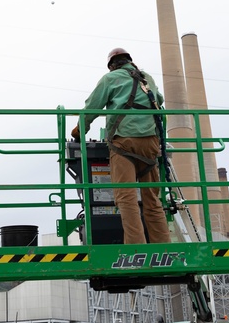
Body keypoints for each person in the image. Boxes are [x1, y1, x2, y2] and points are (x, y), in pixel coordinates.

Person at [71, 48, 171, 244]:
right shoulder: (146, 78)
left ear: (111, 65)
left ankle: (136, 248)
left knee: (126, 198)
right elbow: (159, 99)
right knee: (153, 200)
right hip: (150, 142)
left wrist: (79, 130)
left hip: (123, 143)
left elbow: (92, 107)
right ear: (129, 61)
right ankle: (164, 246)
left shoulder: (110, 79)